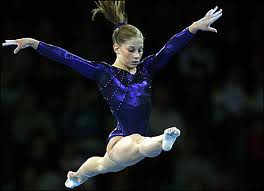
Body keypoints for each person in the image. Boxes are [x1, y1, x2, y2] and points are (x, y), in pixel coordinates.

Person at [2, 1, 222, 189]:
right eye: (131, 50)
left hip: (127, 142)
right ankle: (163, 140)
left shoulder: (147, 68)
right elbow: (67, 58)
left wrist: (194, 27)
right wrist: (34, 43)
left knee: (102, 164)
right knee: (134, 146)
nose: (137, 55)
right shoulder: (103, 73)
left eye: (141, 49)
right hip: (123, 139)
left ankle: (76, 177)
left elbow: (170, 47)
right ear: (116, 48)